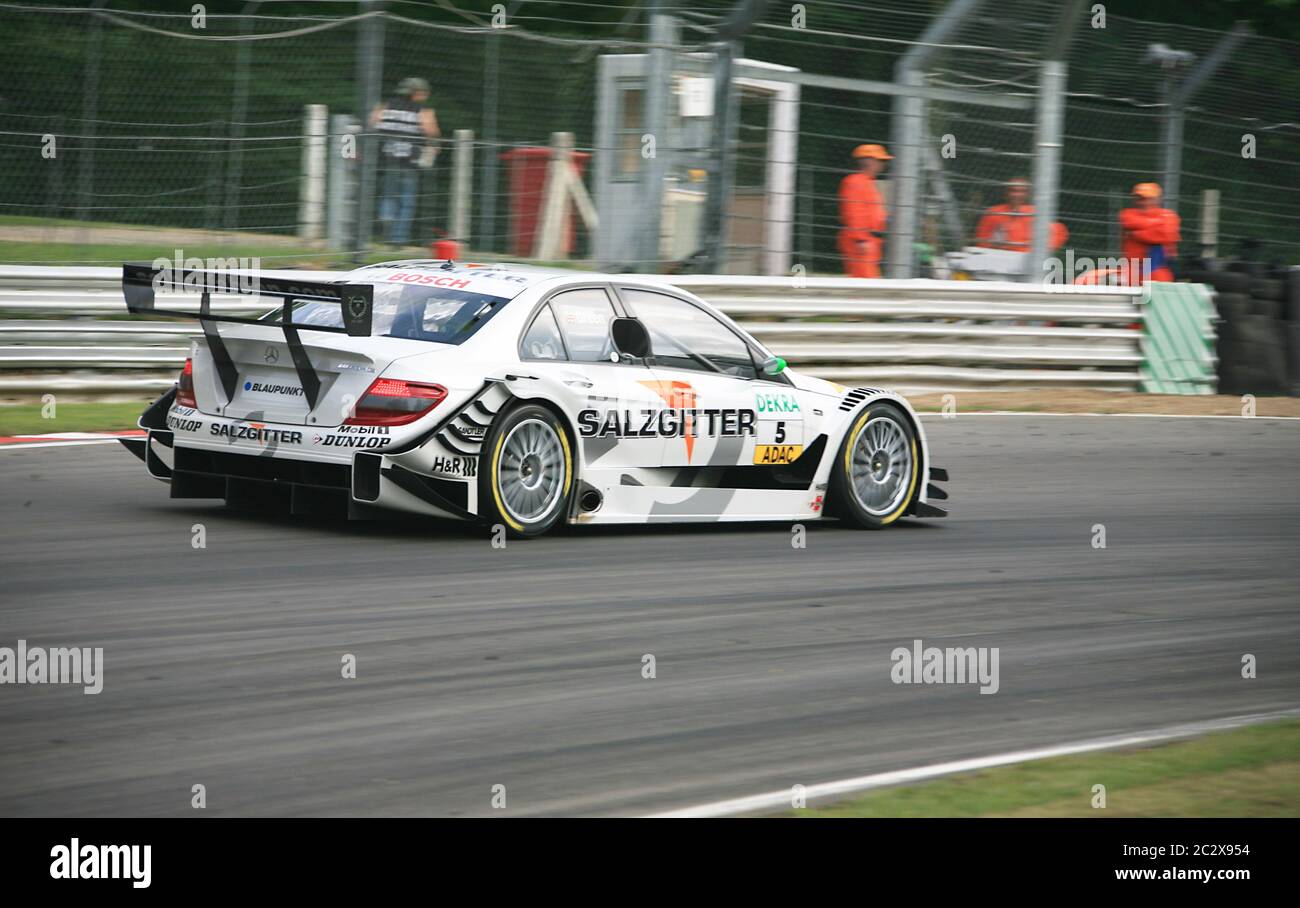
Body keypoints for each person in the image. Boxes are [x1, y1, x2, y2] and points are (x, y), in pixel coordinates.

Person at [370, 77, 440, 247]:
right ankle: (398, 238)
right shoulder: (423, 110)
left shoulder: (385, 106)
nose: (426, 96)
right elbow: (430, 130)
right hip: (410, 160)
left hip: (387, 158)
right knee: (407, 202)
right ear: (415, 93)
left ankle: (385, 221)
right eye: (423, 92)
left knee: (388, 196)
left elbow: (372, 123)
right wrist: (434, 144)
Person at [838, 143, 891, 278]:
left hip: (869, 240)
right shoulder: (855, 182)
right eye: (881, 160)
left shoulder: (867, 182)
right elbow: (854, 212)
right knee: (865, 283)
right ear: (869, 161)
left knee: (867, 281)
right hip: (861, 241)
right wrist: (861, 240)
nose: (883, 164)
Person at [974, 177, 1068, 252]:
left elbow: (1060, 233)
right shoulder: (993, 212)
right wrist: (992, 248)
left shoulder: (1035, 213)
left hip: (1027, 260)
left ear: (1027, 194)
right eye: (1013, 190)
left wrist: (1041, 251)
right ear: (1006, 193)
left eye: (1021, 191)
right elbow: (981, 240)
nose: (1016, 195)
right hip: (999, 258)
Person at [1119, 181, 1180, 283]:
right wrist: (1156, 225)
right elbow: (1129, 223)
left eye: (1145, 198)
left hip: (1159, 268)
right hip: (1132, 268)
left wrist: (1135, 234)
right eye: (1138, 198)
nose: (1141, 202)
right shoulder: (1127, 214)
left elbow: (1166, 235)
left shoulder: (1170, 216)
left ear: (1157, 199)